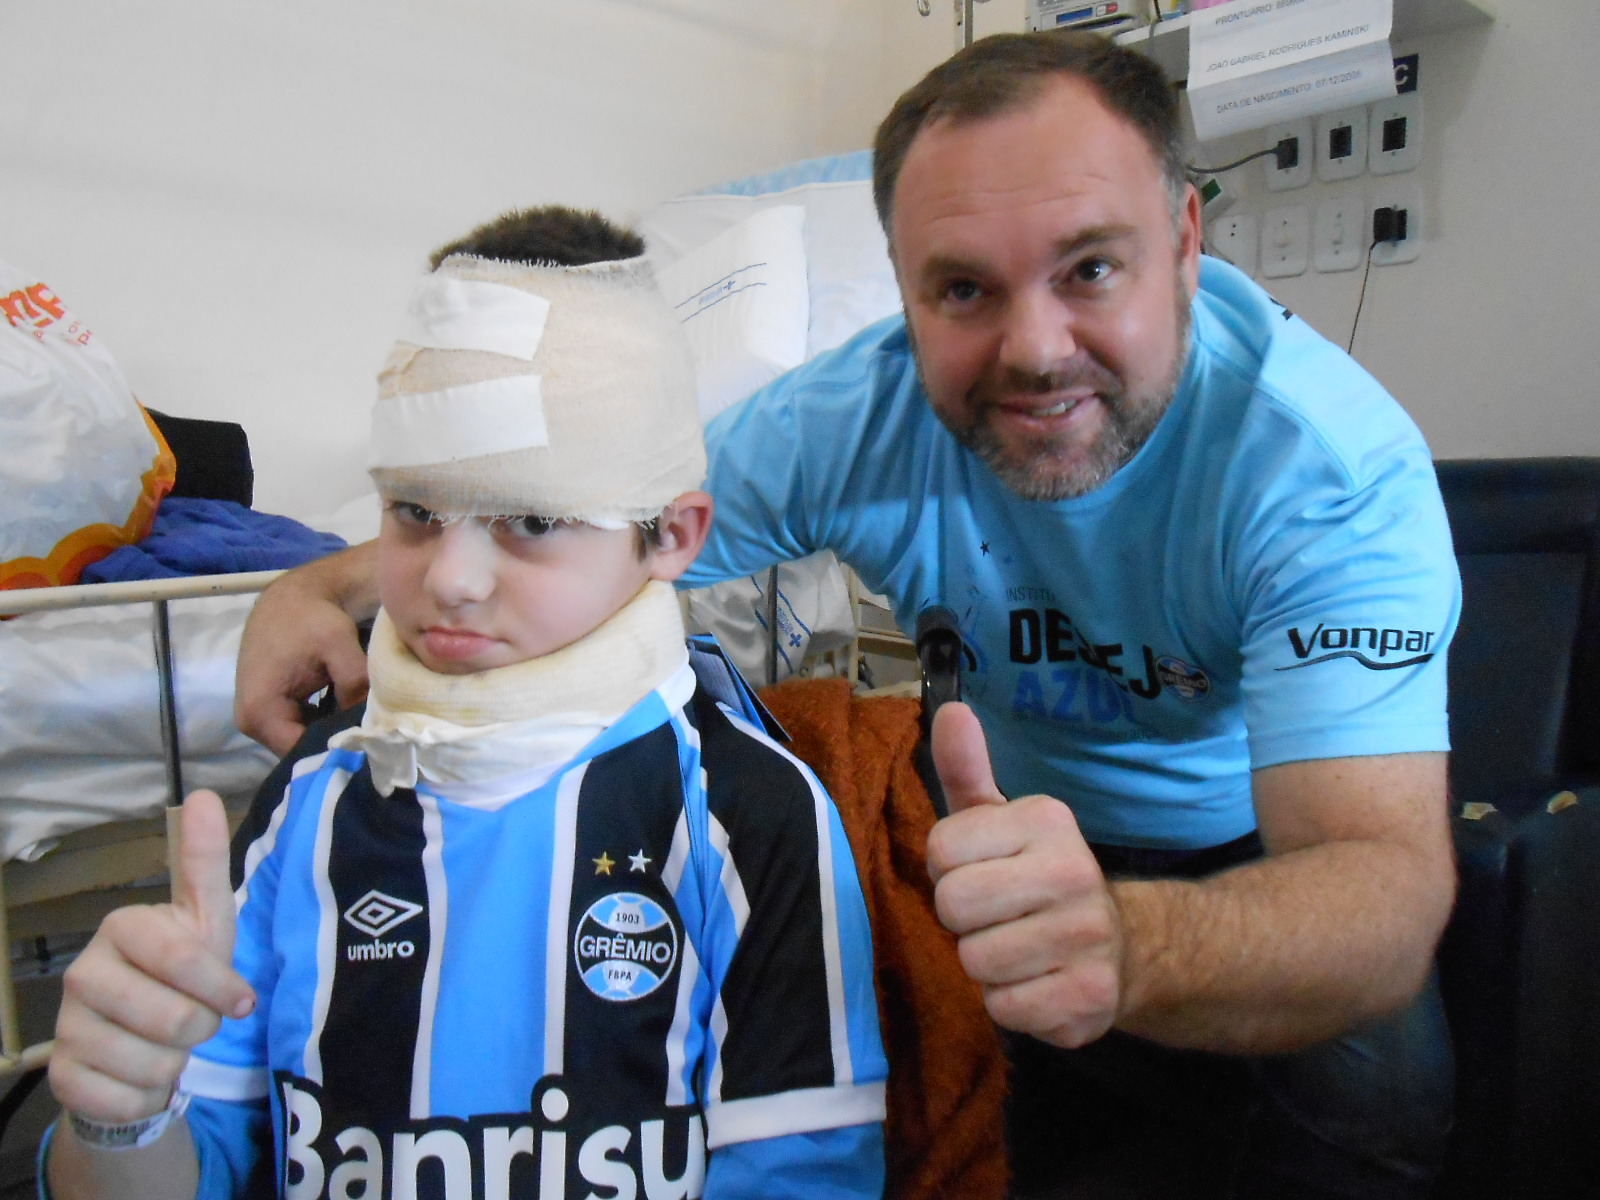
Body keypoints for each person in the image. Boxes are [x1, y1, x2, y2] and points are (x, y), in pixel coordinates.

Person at [230, 32, 1460, 1199]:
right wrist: (317, 585)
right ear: (904, 290)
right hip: (993, 829)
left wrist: (1125, 945)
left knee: (1385, 1088)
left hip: (1245, 848)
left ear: (1185, 239)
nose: (1034, 349)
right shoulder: (852, 417)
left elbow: (1382, 898)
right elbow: (589, 507)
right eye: (963, 290)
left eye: (1091, 268)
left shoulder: (1319, 477)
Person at [43, 207, 889, 1200]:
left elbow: (803, 1180)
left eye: (531, 517)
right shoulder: (309, 802)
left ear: (670, 535)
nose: (449, 579)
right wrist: (117, 1117)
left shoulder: (747, 814)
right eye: (415, 510)